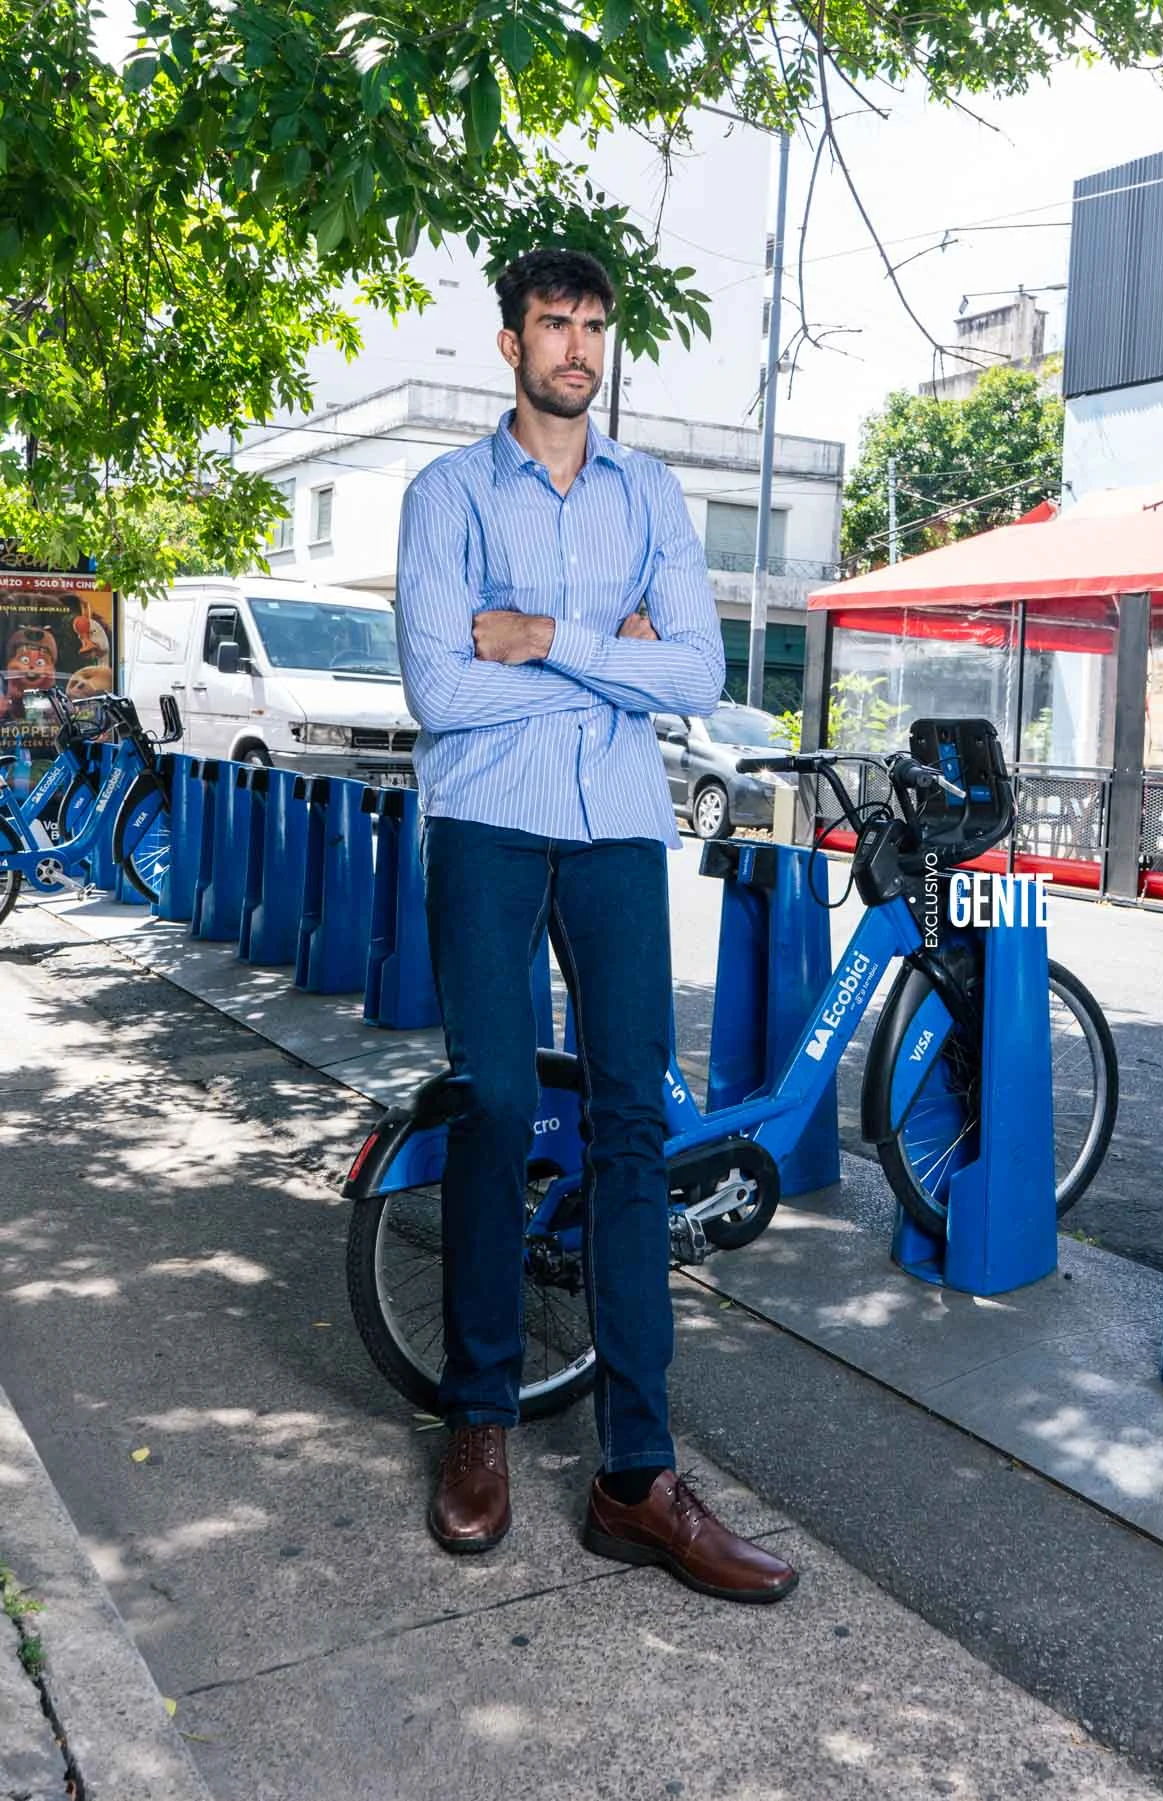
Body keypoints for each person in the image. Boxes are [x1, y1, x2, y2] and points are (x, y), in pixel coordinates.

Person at [395, 247, 797, 1605]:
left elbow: (698, 670)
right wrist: (605, 666)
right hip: (489, 827)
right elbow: (441, 693)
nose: (578, 344)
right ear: (509, 344)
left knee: (633, 1120)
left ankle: (639, 1475)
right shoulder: (443, 492)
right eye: (554, 323)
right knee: (499, 1105)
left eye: (594, 324)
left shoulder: (652, 493)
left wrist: (543, 635)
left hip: (621, 832)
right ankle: (481, 1420)